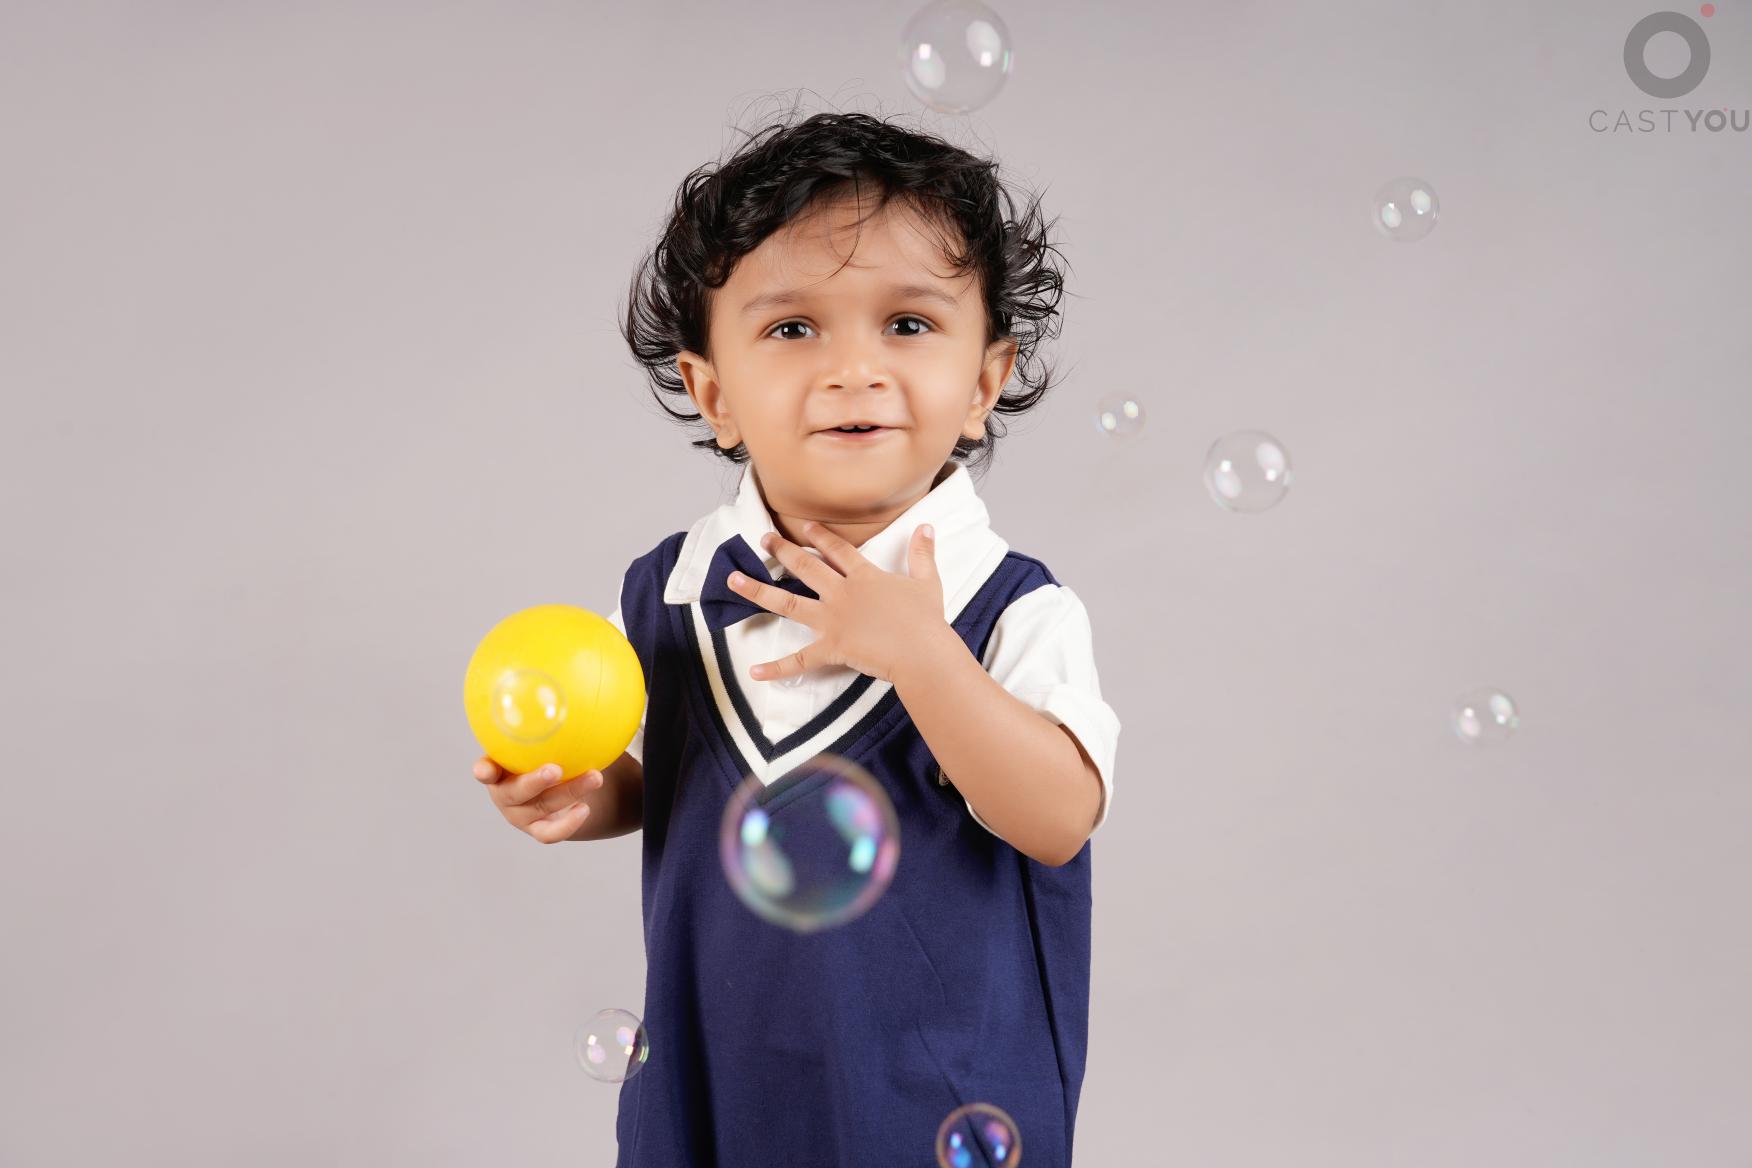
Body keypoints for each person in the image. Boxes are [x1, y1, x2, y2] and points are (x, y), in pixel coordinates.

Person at [473, 108, 1121, 1167]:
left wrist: (921, 654)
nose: (853, 368)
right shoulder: (672, 592)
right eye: (792, 330)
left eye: (906, 324)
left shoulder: (1010, 607)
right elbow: (670, 779)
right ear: (712, 393)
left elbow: (1057, 818)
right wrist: (592, 794)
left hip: (927, 1114)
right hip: (711, 1100)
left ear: (983, 383)